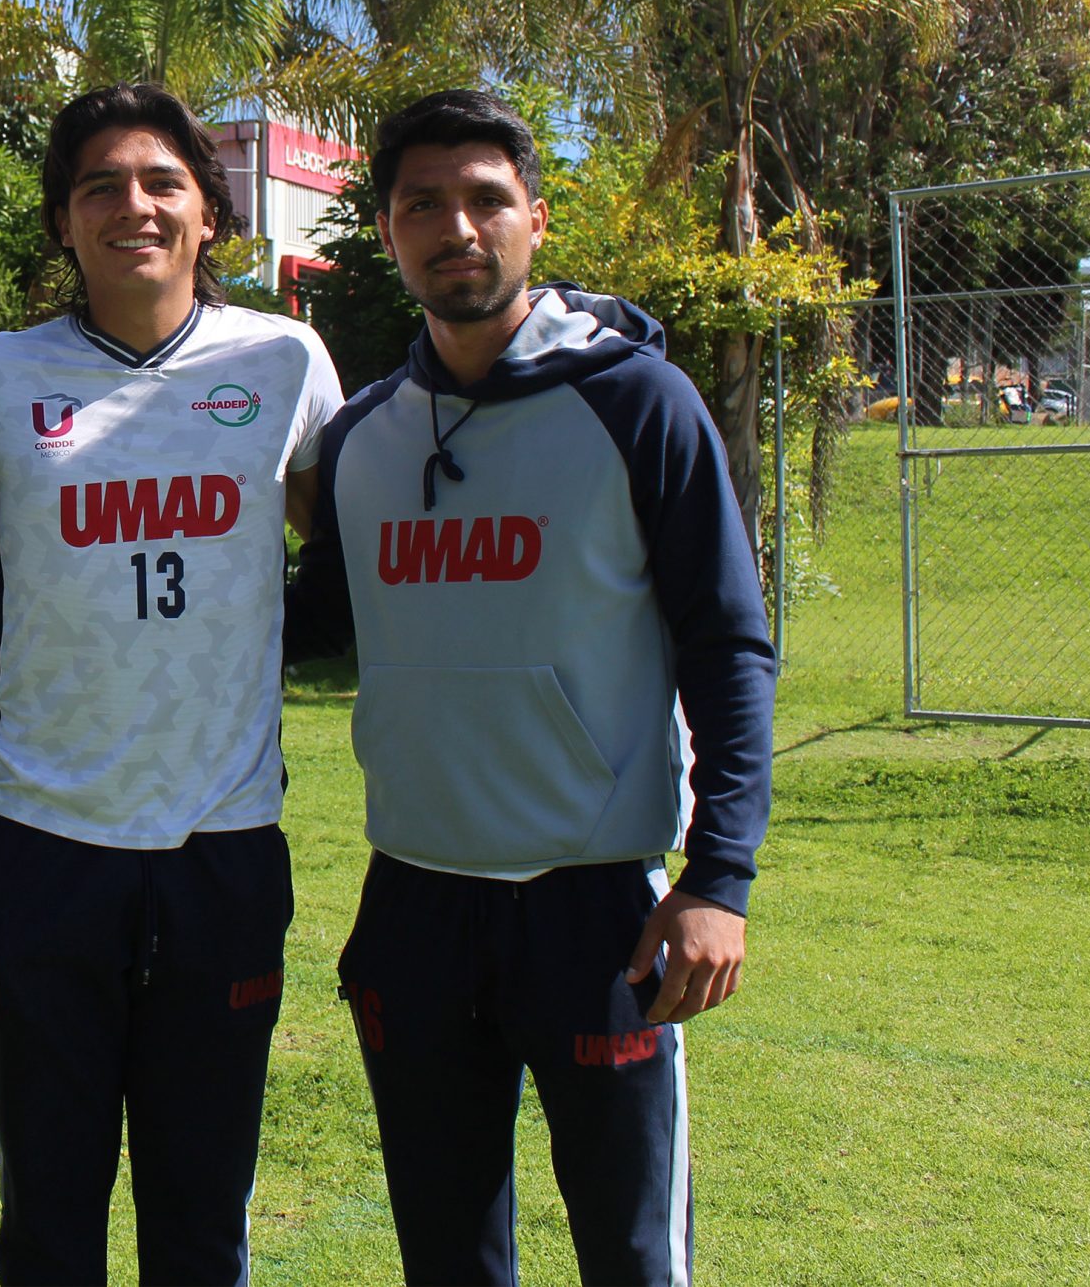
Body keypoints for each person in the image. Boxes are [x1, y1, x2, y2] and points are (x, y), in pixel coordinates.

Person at [286, 89, 774, 1287]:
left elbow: (726, 644)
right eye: (421, 205)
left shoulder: (635, 404)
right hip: (413, 905)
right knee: (446, 1256)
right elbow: (300, 630)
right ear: (389, 234)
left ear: (535, 221)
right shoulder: (360, 440)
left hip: (598, 906)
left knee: (631, 1252)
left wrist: (718, 879)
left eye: (485, 199)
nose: (456, 225)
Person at [0, 83, 344, 1285]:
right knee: (47, 1225)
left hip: (224, 846)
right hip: (47, 846)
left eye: (162, 183)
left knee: (201, 1225)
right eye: (99, 185)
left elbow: (366, 559)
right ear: (61, 220)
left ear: (212, 213)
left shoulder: (284, 359)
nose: (132, 206)